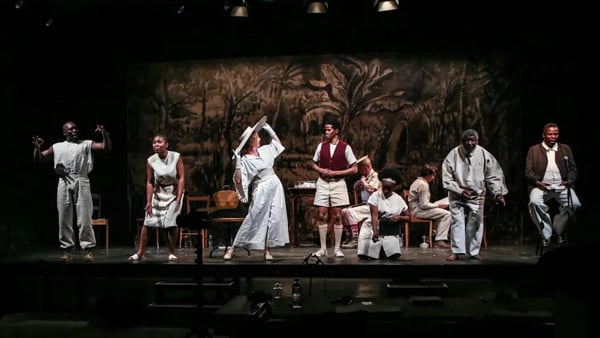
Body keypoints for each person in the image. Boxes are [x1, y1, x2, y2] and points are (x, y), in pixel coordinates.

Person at [32, 121, 111, 262]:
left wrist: (104, 134)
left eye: (76, 128)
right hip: (64, 181)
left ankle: (87, 249)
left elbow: (105, 147)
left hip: (81, 179)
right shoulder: (57, 146)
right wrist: (37, 148)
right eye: (71, 129)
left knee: (85, 217)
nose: (74, 130)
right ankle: (67, 250)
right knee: (64, 217)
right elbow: (40, 159)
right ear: (64, 132)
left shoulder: (86, 143)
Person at [224, 117, 289, 261]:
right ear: (251, 140)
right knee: (254, 216)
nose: (259, 137)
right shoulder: (246, 159)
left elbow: (278, 145)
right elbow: (239, 180)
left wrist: (270, 130)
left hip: (275, 185)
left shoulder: (265, 151)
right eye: (257, 135)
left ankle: (267, 250)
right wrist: (238, 163)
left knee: (274, 217)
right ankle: (233, 247)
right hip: (262, 187)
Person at [441, 129, 508, 261]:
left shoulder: (483, 154)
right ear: (462, 141)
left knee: (476, 223)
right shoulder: (453, 154)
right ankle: (457, 251)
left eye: (473, 140)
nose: (470, 143)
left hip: (476, 195)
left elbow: (493, 175)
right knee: (457, 222)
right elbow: (447, 178)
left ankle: (473, 251)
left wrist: (497, 193)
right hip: (457, 194)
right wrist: (460, 191)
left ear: (477, 141)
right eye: (467, 140)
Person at [129, 134, 184, 262]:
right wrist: (149, 201)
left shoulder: (176, 157)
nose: (156, 145)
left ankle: (171, 252)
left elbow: (181, 178)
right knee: (148, 222)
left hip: (174, 192)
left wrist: (179, 198)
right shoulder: (151, 160)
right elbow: (149, 182)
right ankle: (140, 252)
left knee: (171, 222)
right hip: (158, 193)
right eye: (154, 142)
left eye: (159, 142)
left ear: (166, 144)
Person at [525, 122, 581, 246]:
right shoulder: (533, 150)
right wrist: (538, 181)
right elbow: (528, 172)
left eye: (555, 134)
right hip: (541, 186)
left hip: (561, 186)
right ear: (543, 135)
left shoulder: (565, 149)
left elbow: (573, 170)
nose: (553, 137)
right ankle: (547, 234)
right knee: (534, 203)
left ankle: (558, 229)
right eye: (550, 134)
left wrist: (568, 180)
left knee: (575, 204)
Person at [311, 120, 358, 258]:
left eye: (329, 130)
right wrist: (321, 169)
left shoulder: (345, 147)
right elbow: (313, 163)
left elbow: (354, 168)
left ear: (336, 131)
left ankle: (337, 248)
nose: (326, 132)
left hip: (338, 183)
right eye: (325, 130)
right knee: (322, 215)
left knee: (338, 216)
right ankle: (323, 248)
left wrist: (336, 173)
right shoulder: (321, 146)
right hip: (323, 183)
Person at [356, 168, 408, 260]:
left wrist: (399, 217)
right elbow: (374, 215)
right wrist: (375, 231)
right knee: (369, 254)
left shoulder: (398, 199)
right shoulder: (375, 196)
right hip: (373, 225)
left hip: (389, 228)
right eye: (384, 188)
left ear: (394, 187)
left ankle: (383, 250)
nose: (385, 191)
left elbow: (409, 217)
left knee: (393, 255)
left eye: (389, 188)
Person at [341, 156, 381, 249]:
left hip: (373, 207)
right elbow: (355, 189)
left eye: (361, 169)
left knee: (349, 212)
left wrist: (363, 182)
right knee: (343, 211)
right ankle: (349, 236)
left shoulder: (375, 176)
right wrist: (358, 183)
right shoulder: (365, 177)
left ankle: (355, 238)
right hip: (365, 205)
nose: (360, 172)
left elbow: (371, 190)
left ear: (367, 167)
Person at [407, 167, 451, 248]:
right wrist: (438, 205)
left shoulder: (418, 181)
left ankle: (434, 234)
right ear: (428, 175)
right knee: (447, 214)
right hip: (418, 211)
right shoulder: (423, 184)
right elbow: (424, 205)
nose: (433, 178)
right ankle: (440, 240)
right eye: (432, 175)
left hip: (417, 209)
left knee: (441, 213)